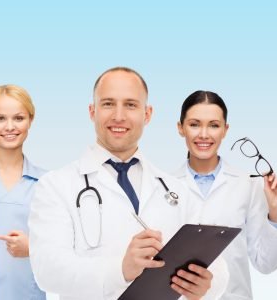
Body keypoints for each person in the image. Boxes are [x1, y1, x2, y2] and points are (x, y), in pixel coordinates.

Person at [28, 67, 228, 300]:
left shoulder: (176, 189)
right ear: (92, 112)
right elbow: (48, 272)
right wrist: (121, 270)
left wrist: (206, 286)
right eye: (108, 104)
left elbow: (219, 267)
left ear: (147, 113)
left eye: (131, 105)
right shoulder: (55, 186)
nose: (119, 116)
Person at [174, 90, 277, 299]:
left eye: (214, 125)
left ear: (225, 130)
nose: (204, 134)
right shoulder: (163, 186)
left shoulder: (248, 185)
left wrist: (276, 214)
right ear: (181, 128)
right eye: (194, 124)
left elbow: (266, 264)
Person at [0, 84, 46, 299]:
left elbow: (67, 248)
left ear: (30, 121)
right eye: (0, 118)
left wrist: (33, 248)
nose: (9, 126)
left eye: (19, 118)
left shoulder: (48, 184)